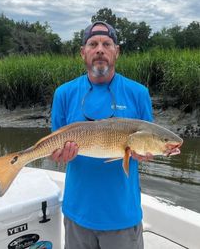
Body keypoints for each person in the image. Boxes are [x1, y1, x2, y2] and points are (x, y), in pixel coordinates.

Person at [50, 21, 153, 249]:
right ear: (83, 52)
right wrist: (59, 155)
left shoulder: (138, 93)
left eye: (107, 44)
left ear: (116, 51)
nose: (100, 49)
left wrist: (146, 153)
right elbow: (54, 150)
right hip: (77, 215)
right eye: (93, 43)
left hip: (122, 217)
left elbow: (148, 142)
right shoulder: (64, 94)